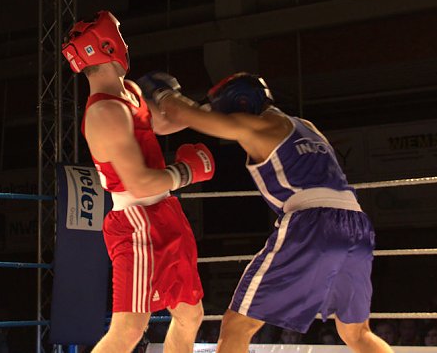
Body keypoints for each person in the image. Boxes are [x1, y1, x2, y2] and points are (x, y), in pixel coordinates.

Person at [138, 71, 393, 353]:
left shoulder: (255, 127)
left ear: (240, 105)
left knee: (237, 325)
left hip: (311, 222)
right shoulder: (306, 126)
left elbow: (185, 114)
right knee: (357, 332)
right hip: (356, 224)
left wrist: (161, 92)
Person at [61, 11, 216, 353]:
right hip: (137, 223)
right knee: (129, 329)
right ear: (107, 45)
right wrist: (187, 171)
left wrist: (213, 111)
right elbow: (140, 183)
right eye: (119, 36)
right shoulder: (104, 113)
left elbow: (158, 124)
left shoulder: (129, 91)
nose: (126, 43)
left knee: (191, 315)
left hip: (165, 212)